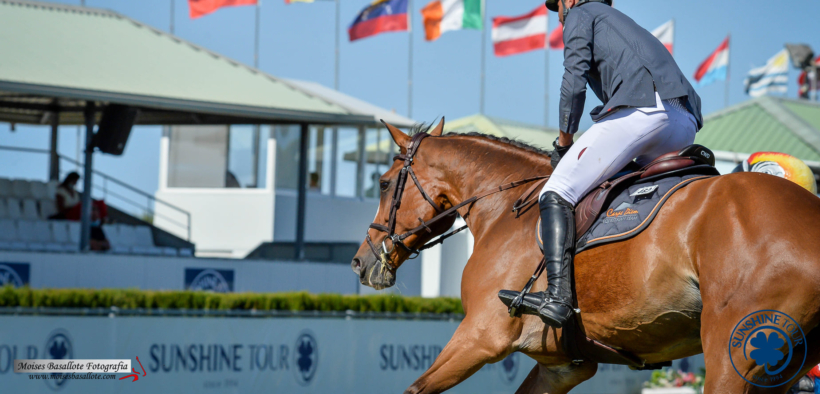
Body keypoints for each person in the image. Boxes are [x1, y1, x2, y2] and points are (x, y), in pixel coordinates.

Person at [500, 0, 703, 328]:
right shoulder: (622, 22)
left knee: (558, 191)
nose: (560, 15)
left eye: (559, 7)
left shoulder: (580, 14)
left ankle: (558, 296)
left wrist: (564, 142)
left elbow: (574, 82)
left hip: (643, 112)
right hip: (684, 121)